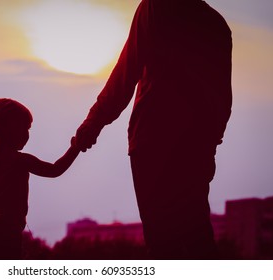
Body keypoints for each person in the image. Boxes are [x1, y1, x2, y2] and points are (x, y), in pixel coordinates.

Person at [75, 0, 232, 259]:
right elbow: (222, 96)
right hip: (195, 147)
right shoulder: (216, 25)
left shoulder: (156, 6)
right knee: (198, 238)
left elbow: (126, 72)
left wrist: (93, 122)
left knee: (163, 245)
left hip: (153, 139)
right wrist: (210, 144)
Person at [0, 98, 80, 259]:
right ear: (8, 129)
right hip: (4, 232)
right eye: (24, 128)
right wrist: (75, 147)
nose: (27, 134)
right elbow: (55, 170)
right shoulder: (19, 160)